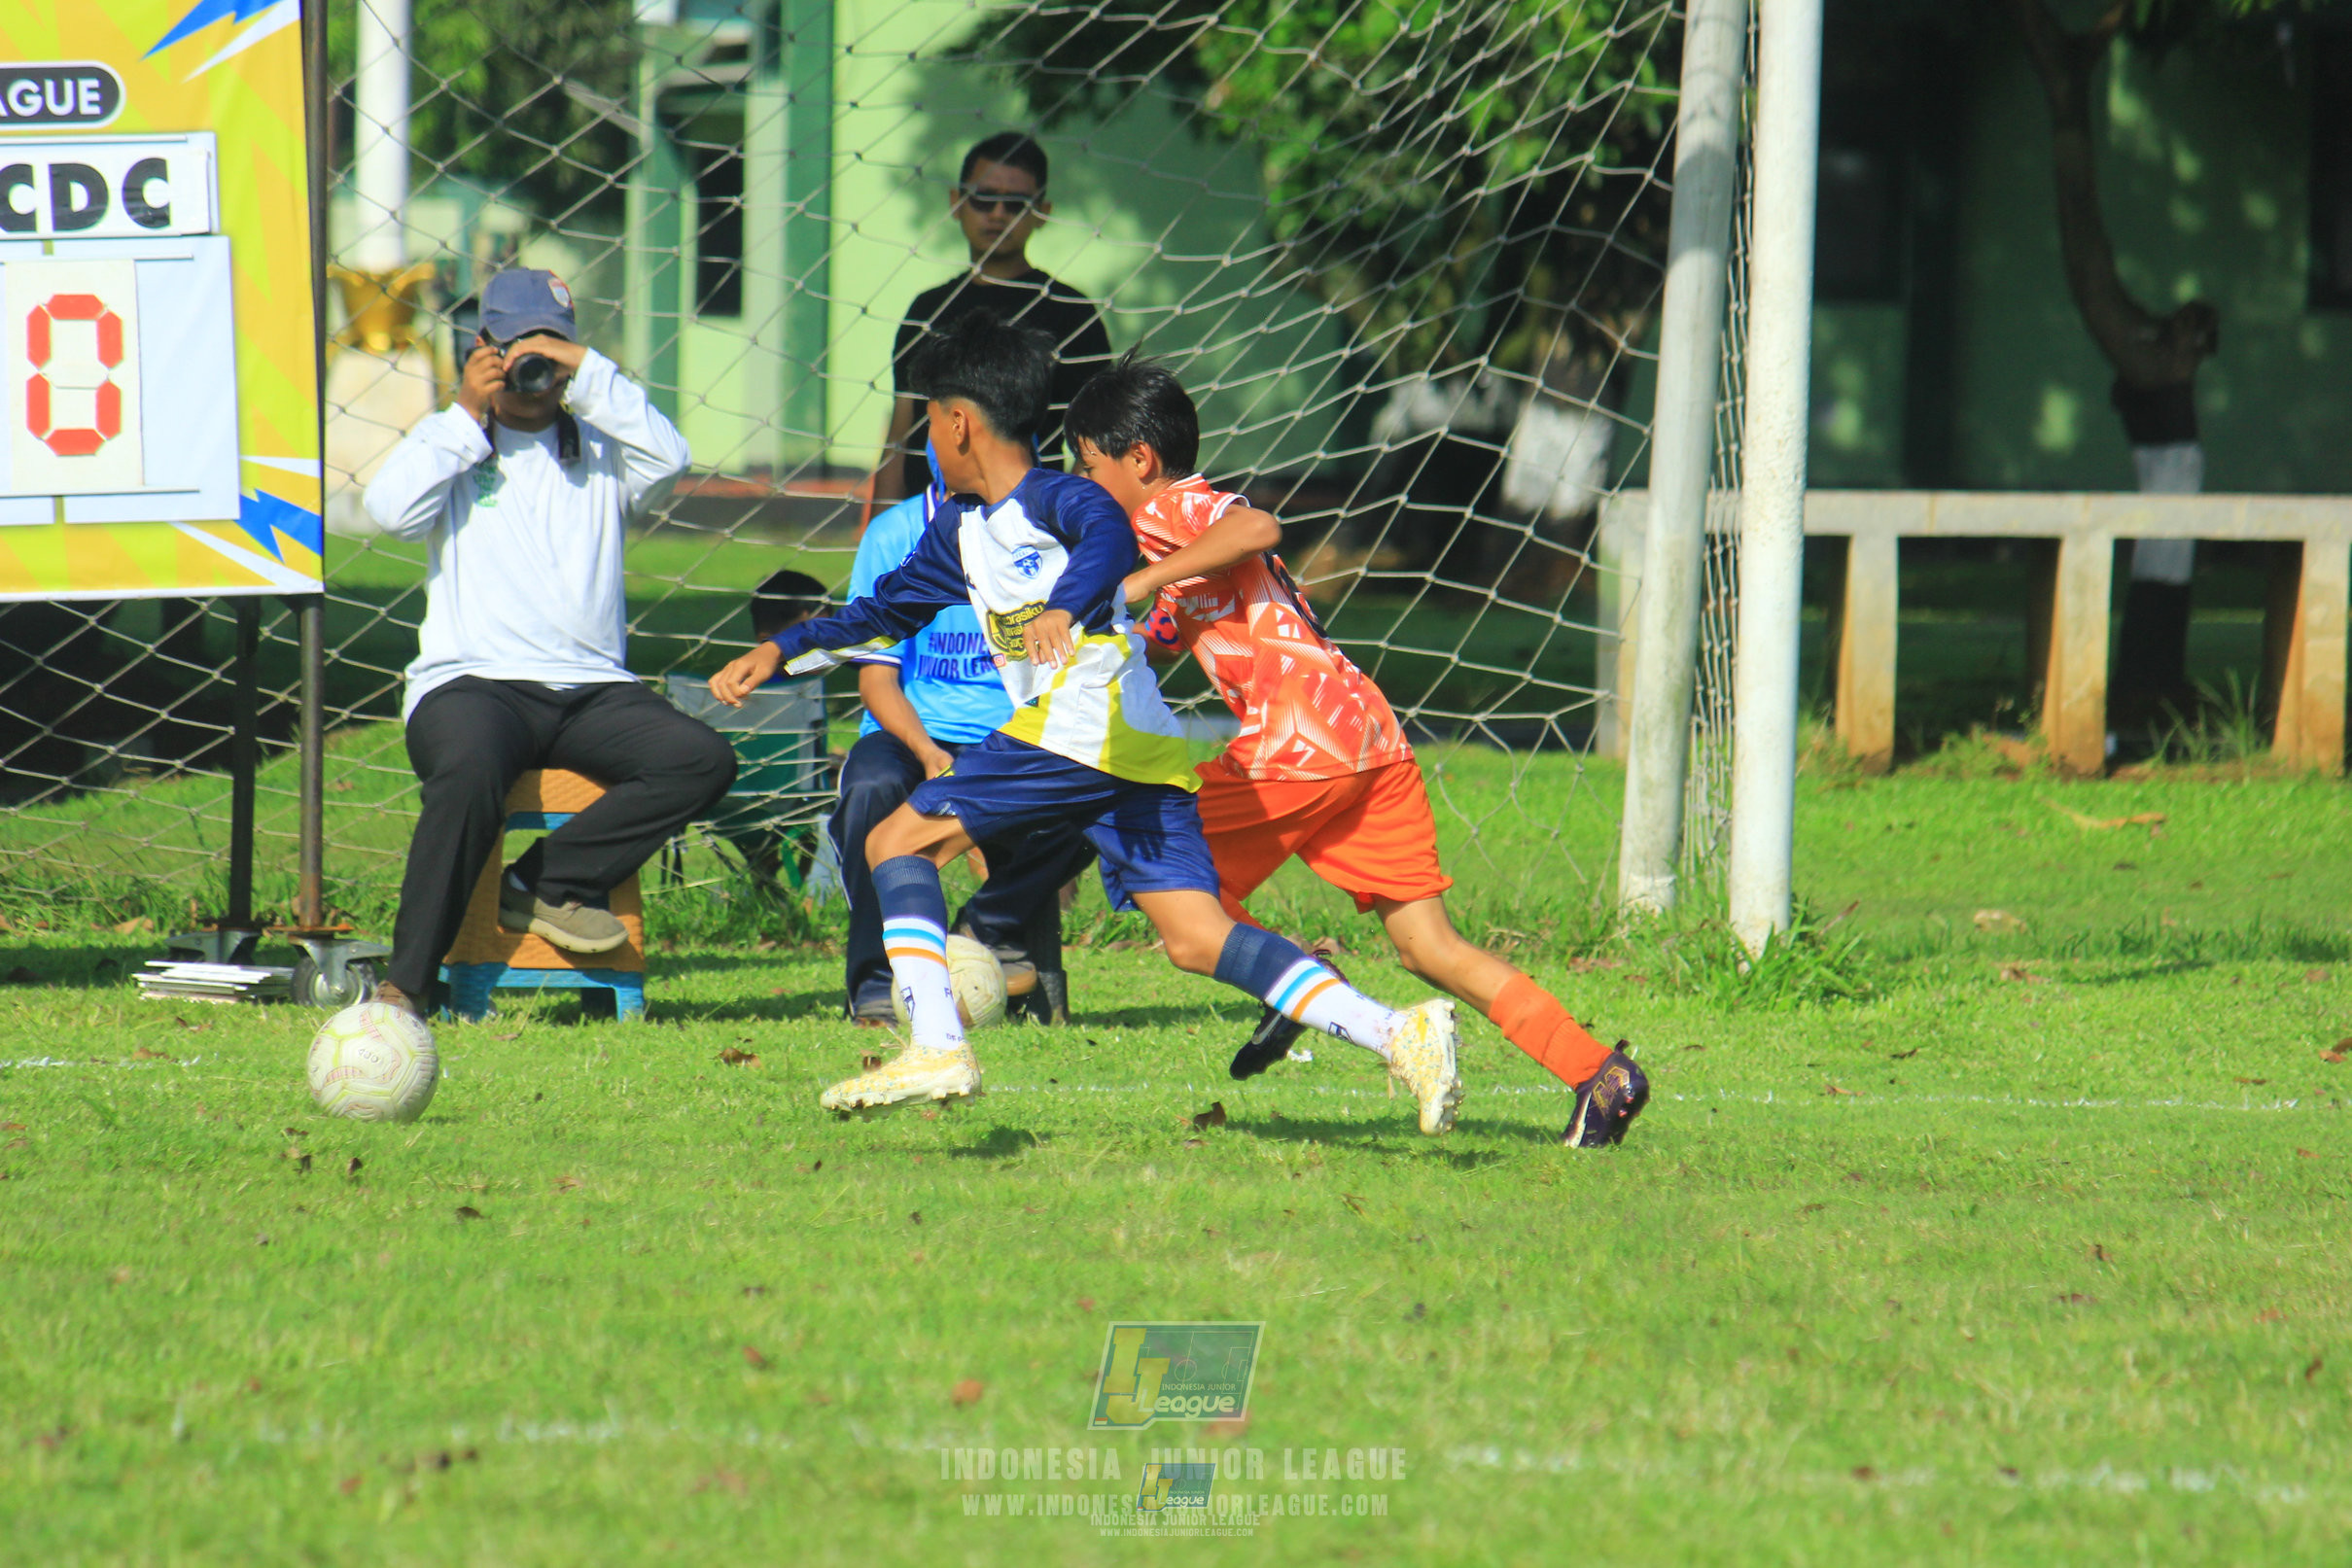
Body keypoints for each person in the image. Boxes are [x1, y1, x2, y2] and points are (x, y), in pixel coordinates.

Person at [712, 312, 1462, 1131]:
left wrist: (1067, 604)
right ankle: (1396, 1029)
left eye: (927, 419)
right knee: (1194, 936)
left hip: (1076, 724)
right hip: (1134, 744)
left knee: (895, 841)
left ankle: (935, 1043)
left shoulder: (1063, 496)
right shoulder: (959, 530)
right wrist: (779, 649)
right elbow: (881, 610)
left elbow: (1105, 540)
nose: (924, 437)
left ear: (957, 423)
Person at [1063, 353, 1649, 1148]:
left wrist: (1132, 582)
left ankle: (1301, 985)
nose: (1081, 481)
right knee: (1427, 946)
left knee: (1181, 907)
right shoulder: (1177, 557)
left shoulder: (1170, 508)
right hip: (1369, 738)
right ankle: (1598, 1073)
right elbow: (1178, 621)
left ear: (1139, 460)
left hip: (1297, 745)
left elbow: (1256, 527)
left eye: (1087, 464)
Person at [363, 268, 735, 1018]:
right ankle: (407, 984)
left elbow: (671, 456)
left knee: (702, 758)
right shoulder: (455, 441)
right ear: (483, 347)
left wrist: (587, 372)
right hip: (473, 682)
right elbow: (388, 511)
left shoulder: (600, 445)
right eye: (515, 346)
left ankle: (548, 880)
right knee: (468, 771)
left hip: (593, 688)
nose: (533, 365)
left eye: (551, 345)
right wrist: (466, 410)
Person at [831, 470, 1095, 1023]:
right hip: (910, 733)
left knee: (1104, 784)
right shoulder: (893, 531)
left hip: (1017, 734)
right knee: (871, 786)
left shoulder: (1053, 524)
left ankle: (988, 924)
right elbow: (876, 679)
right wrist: (927, 751)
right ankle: (877, 980)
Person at [871, 131, 1112, 504]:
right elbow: (900, 435)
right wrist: (879, 532)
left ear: (1042, 212)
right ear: (957, 202)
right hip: (928, 526)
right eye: (984, 199)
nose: (998, 214)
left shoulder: (1071, 312)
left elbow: (1098, 439)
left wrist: (1064, 520)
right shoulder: (927, 311)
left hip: (1030, 529)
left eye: (1015, 204)